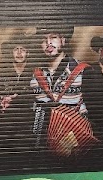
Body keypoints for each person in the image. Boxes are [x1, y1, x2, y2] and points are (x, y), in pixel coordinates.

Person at [30, 23, 89, 153]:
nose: (48, 43)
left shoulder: (83, 71)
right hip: (40, 143)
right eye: (44, 39)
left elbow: (96, 112)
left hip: (74, 143)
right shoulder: (33, 74)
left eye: (53, 37)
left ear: (63, 40)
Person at [0, 30, 36, 159]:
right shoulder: (2, 70)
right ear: (11, 52)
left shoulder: (35, 71)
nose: (19, 53)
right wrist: (2, 99)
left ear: (28, 53)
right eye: (15, 49)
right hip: (5, 121)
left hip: (28, 121)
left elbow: (37, 94)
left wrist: (16, 97)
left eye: (22, 49)